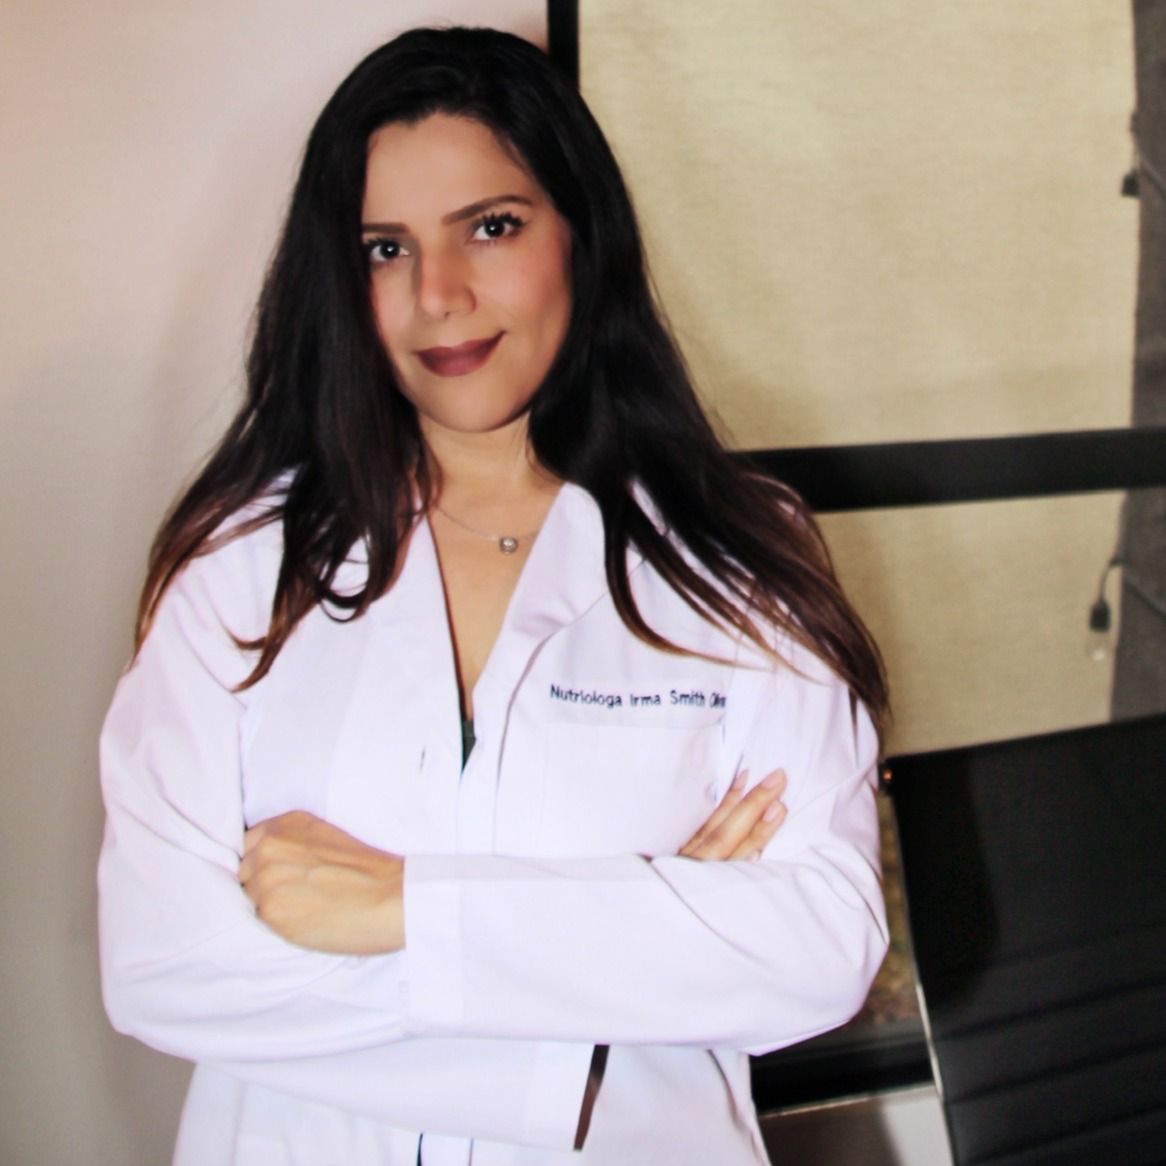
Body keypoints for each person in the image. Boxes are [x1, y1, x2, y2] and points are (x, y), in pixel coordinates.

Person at [98, 25, 890, 1166]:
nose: (439, 294)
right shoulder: (240, 562)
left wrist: (406, 910)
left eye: (491, 227)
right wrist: (626, 957)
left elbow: (817, 949)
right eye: (384, 248)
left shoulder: (736, 555)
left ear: (581, 235)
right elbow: (163, 963)